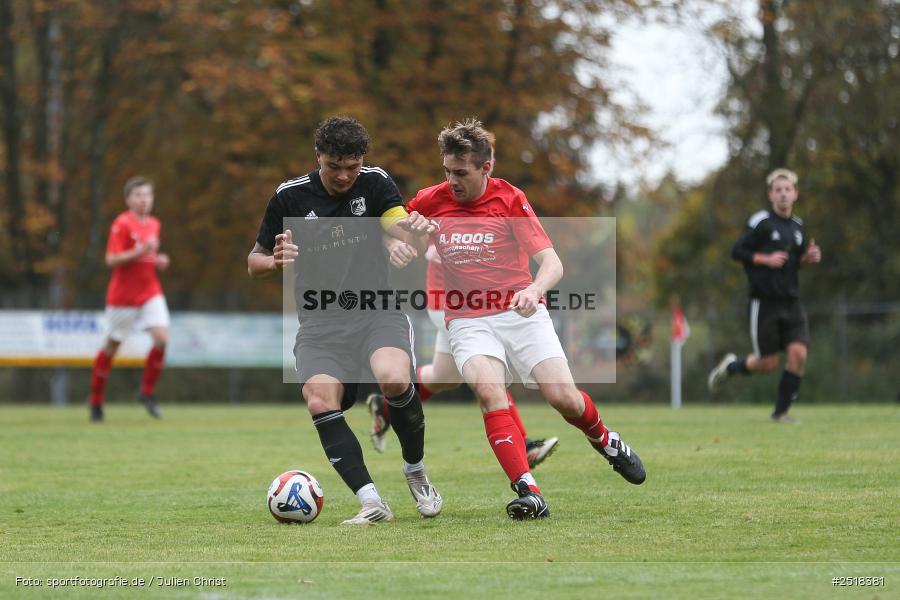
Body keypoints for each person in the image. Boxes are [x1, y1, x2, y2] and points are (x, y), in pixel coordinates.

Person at [396, 118, 645, 520]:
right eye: (447, 171)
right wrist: (407, 235)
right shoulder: (430, 199)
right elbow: (395, 230)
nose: (452, 181)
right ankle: (529, 491)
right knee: (489, 392)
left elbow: (551, 262)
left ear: (485, 168)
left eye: (461, 173)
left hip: (519, 311)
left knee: (563, 397)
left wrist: (534, 290)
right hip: (466, 318)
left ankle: (606, 440)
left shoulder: (510, 200)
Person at [247, 116, 442, 525]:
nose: (344, 175)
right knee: (320, 398)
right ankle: (371, 502)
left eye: (352, 166)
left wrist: (408, 233)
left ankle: (415, 471)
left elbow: (393, 220)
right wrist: (274, 261)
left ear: (362, 161)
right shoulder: (290, 196)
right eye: (334, 166)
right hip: (321, 323)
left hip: (376, 309)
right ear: (318, 156)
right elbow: (254, 261)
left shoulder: (374, 182)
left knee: (393, 378)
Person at [369, 140, 559, 469]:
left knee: (445, 375)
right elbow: (394, 224)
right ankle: (523, 443)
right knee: (487, 370)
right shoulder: (439, 200)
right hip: (449, 299)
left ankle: (386, 406)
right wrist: (402, 241)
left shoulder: (497, 198)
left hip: (482, 300)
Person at [708, 168, 822, 422]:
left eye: (787, 190)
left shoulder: (798, 227)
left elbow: (796, 261)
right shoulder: (761, 222)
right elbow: (737, 251)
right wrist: (765, 258)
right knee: (767, 363)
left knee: (799, 354)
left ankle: (780, 414)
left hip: (791, 302)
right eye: (778, 190)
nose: (783, 194)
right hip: (765, 303)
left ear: (795, 194)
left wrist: (808, 258)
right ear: (770, 195)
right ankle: (730, 367)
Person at [89, 176, 170, 422]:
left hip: (150, 292)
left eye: (148, 195)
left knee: (162, 339)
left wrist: (158, 260)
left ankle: (146, 393)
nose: (144, 199)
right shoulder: (122, 223)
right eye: (138, 195)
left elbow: (147, 257)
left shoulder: (154, 223)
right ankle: (96, 402)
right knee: (111, 347)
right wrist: (140, 251)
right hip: (123, 298)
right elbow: (111, 259)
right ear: (128, 199)